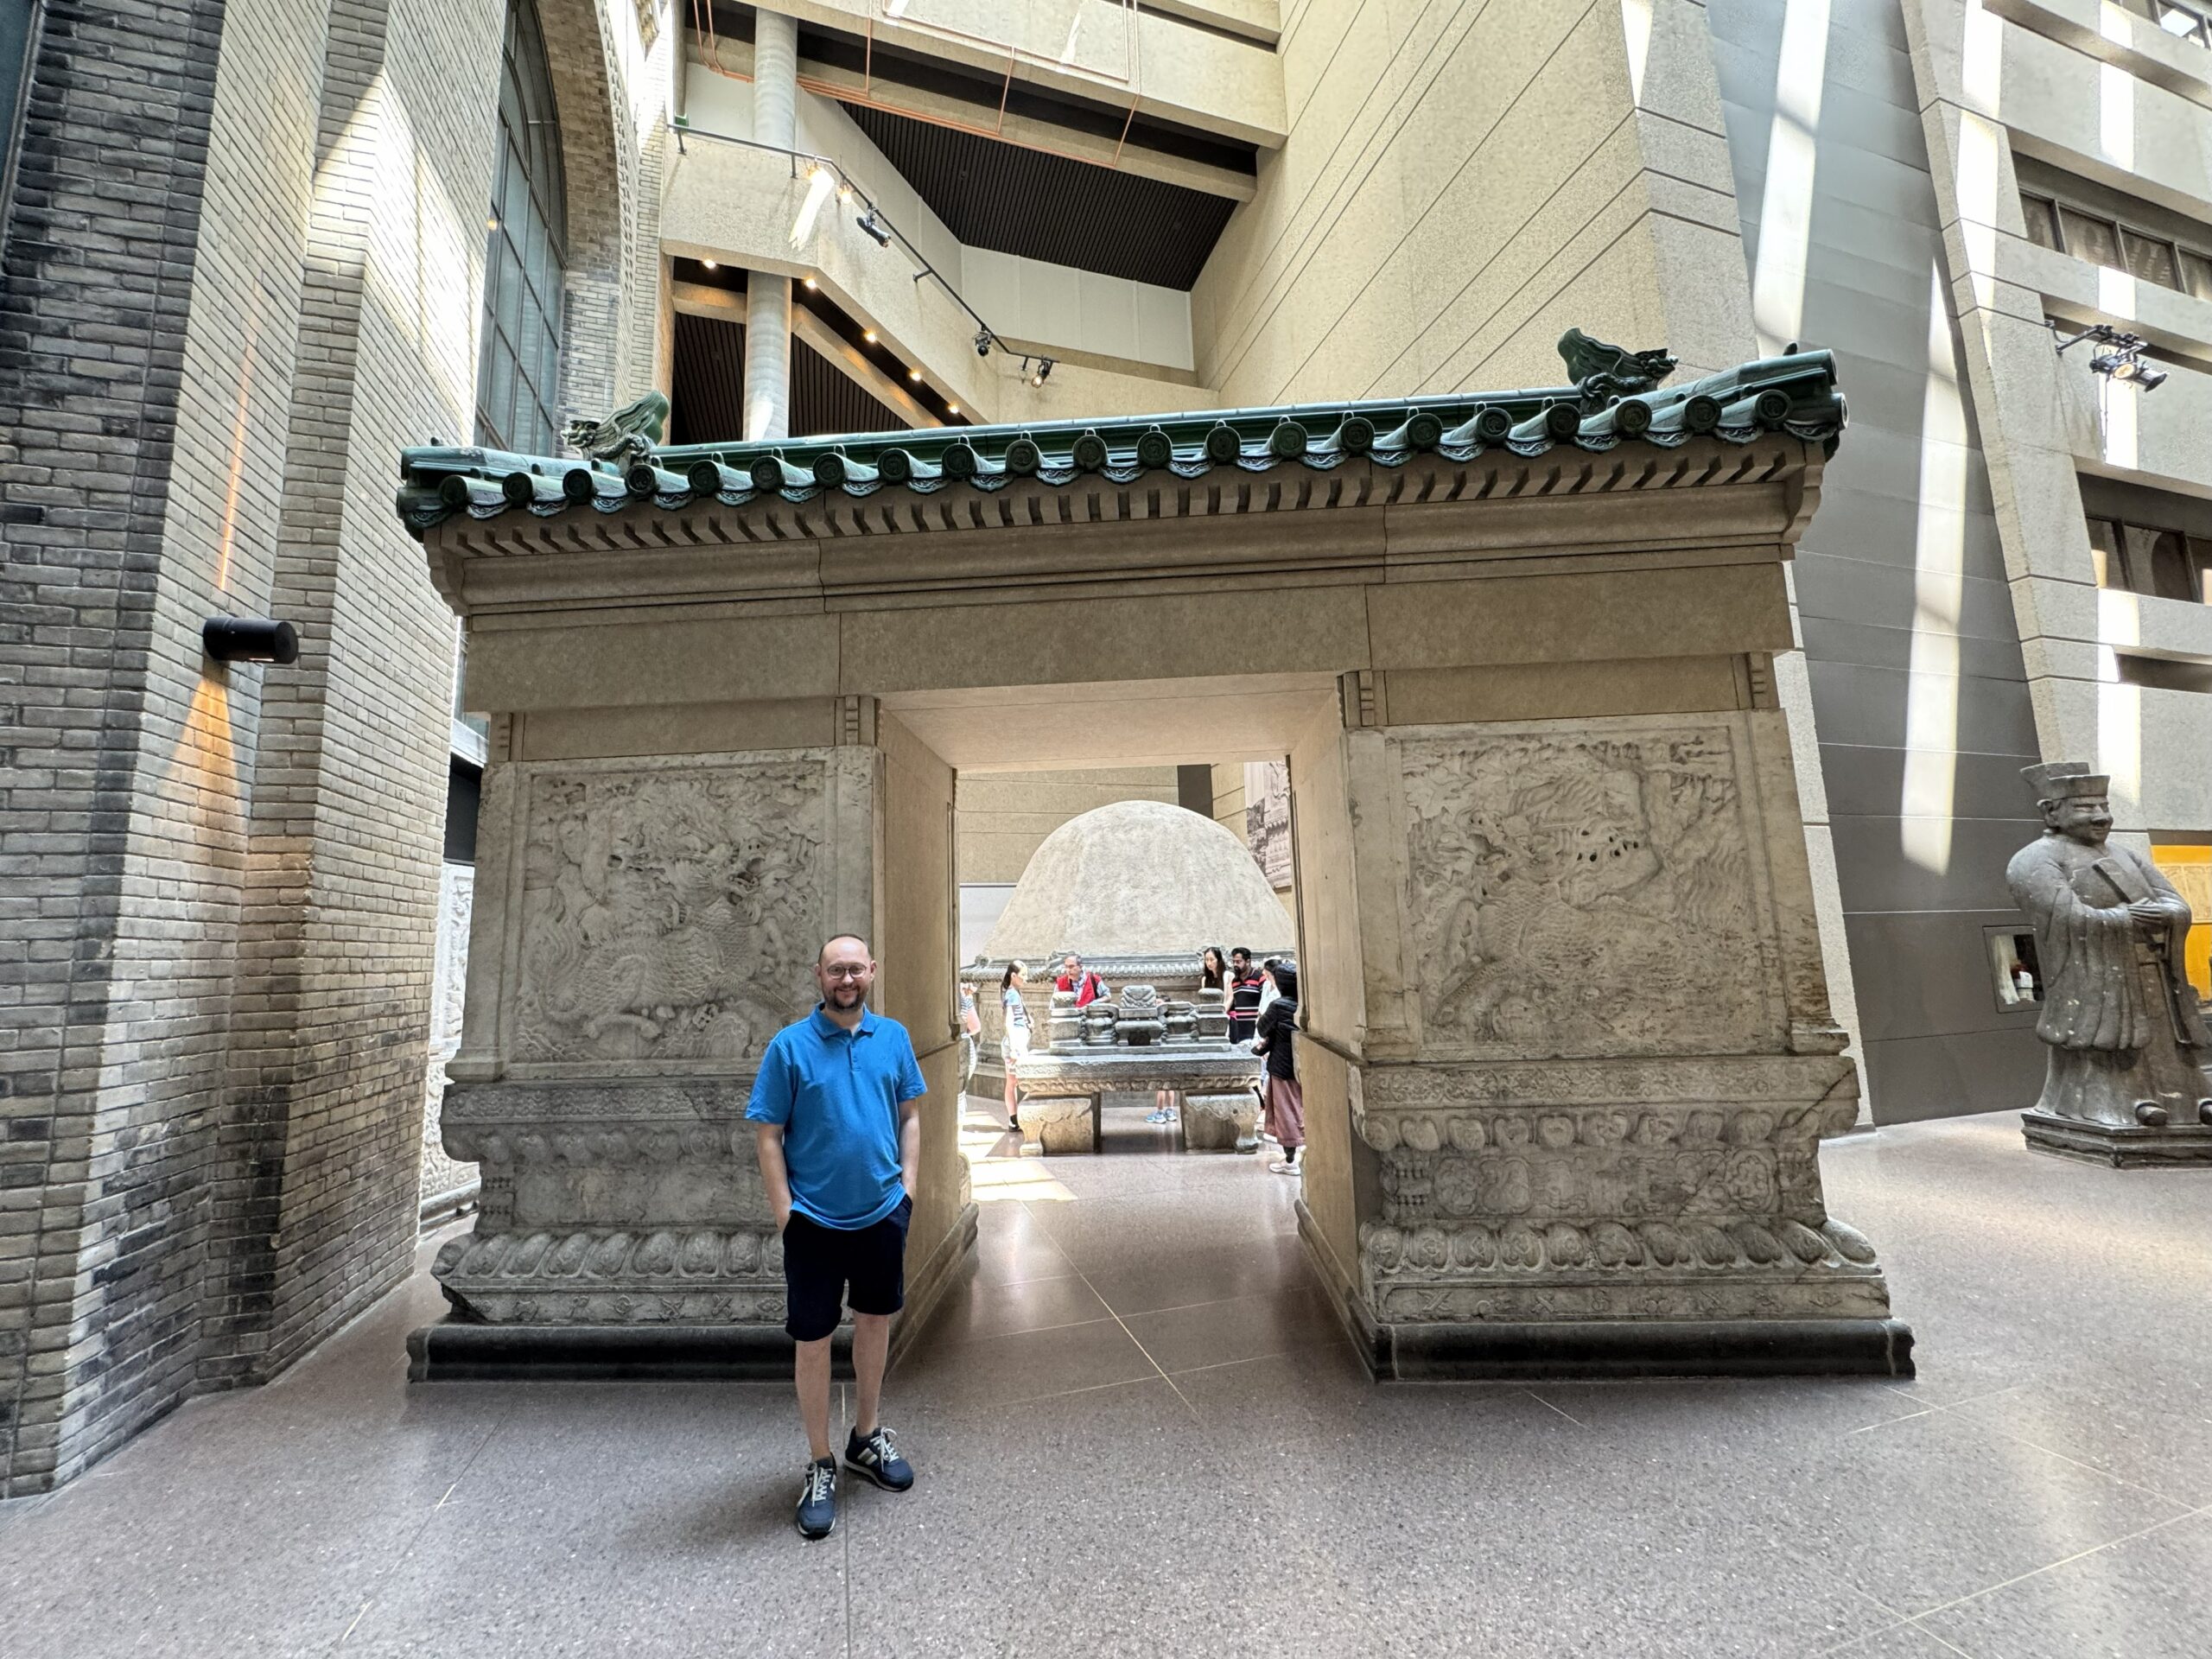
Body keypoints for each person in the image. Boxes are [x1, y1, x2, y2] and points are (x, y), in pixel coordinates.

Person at [747, 933, 923, 1541]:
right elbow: (768, 1132)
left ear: (872, 971)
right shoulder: (789, 1046)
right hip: (814, 1222)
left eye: (855, 969)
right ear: (818, 976)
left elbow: (910, 1114)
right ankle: (820, 1460)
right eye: (835, 971)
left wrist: (908, 1189)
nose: (846, 980)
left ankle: (865, 1437)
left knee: (875, 1322)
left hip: (881, 1212)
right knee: (814, 1339)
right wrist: (785, 1212)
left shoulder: (893, 1038)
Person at [1252, 958, 1305, 1176]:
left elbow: (1262, 1027)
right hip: (1303, 1063)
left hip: (1282, 1065)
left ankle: (1291, 1160)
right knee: (1299, 1109)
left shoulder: (1278, 1005)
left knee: (1287, 1113)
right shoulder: (1303, 1005)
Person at [1000, 960, 1032, 1134]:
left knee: (1014, 1081)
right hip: (1015, 1042)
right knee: (1015, 1081)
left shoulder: (1014, 993)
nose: (1025, 979)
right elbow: (1010, 1021)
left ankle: (1016, 1118)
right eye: (1023, 975)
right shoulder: (1012, 994)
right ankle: (1015, 1119)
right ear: (1013, 976)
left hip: (1018, 1040)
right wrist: (1013, 1048)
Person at [1225, 947, 1265, 1046]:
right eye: (1234, 962)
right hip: (1240, 1030)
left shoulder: (1259, 977)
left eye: (1238, 962)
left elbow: (1265, 1002)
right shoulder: (1234, 982)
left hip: (1255, 1030)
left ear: (1248, 962)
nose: (1235, 965)